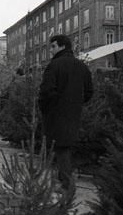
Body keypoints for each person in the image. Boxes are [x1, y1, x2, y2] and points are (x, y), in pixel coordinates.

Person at [38, 35, 93, 192]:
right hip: (74, 112)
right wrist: (76, 103)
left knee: (61, 148)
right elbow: (89, 92)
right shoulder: (82, 66)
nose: (50, 50)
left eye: (53, 46)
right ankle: (62, 180)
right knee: (66, 146)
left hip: (56, 113)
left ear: (62, 46)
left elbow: (45, 92)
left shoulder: (54, 65)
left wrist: (47, 107)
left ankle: (66, 185)